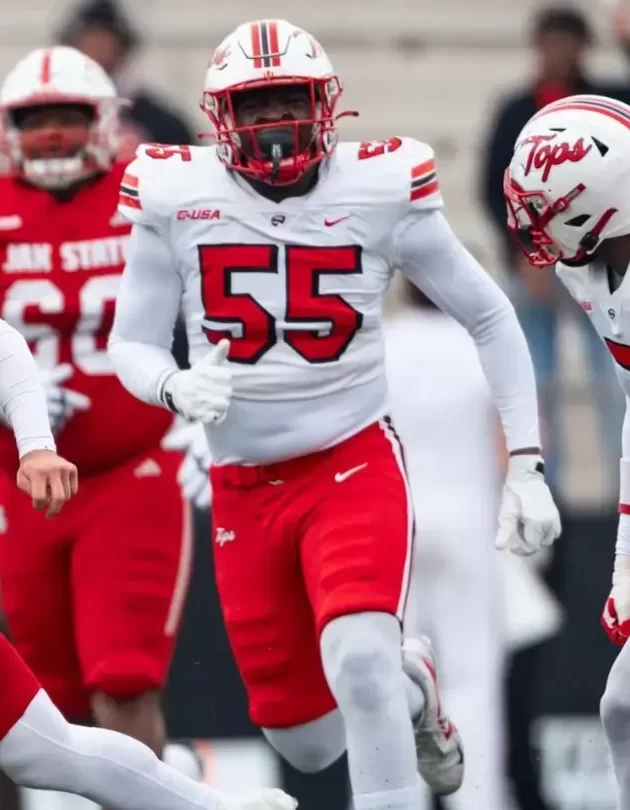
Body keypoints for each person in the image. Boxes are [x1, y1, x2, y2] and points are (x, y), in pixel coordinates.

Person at [108, 19, 561, 810]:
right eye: (255, 105)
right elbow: (132, 344)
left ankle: (388, 689)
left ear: (326, 104)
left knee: (359, 660)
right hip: (244, 487)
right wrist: (173, 387)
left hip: (350, 461)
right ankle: (414, 688)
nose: (275, 121)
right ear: (220, 117)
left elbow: (490, 316)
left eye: (290, 99)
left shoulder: (379, 188)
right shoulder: (176, 195)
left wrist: (526, 461)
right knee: (307, 741)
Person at [0, 316, 295, 810]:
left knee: (56, 736)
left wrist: (34, 444)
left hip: (130, 467)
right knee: (50, 728)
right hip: (30, 501)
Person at [0, 44, 191, 780]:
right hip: (19, 482)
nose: (51, 134)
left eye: (67, 116)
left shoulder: (148, 192)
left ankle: (161, 794)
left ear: (106, 120)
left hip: (129, 469)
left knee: (124, 679)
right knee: (34, 707)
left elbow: (222, 299)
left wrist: (204, 412)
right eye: (35, 119)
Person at [503, 91, 630, 810]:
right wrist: (625, 561)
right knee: (623, 707)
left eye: (546, 207)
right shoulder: (592, 268)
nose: (534, 226)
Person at [481, 6, 624, 491]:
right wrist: (527, 251)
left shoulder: (610, 102)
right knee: (538, 380)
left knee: (613, 378)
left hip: (602, 262)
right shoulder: (515, 110)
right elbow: (494, 186)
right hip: (538, 266)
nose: (559, 52)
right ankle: (547, 490)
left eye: (568, 42)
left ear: (584, 46)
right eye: (551, 42)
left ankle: (620, 486)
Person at [384, 282, 507, 810]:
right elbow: (511, 444)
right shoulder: (480, 345)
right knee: (473, 677)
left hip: (396, 529)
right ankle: (478, 800)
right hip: (468, 525)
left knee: (387, 676)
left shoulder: (382, 343)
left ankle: (391, 800)